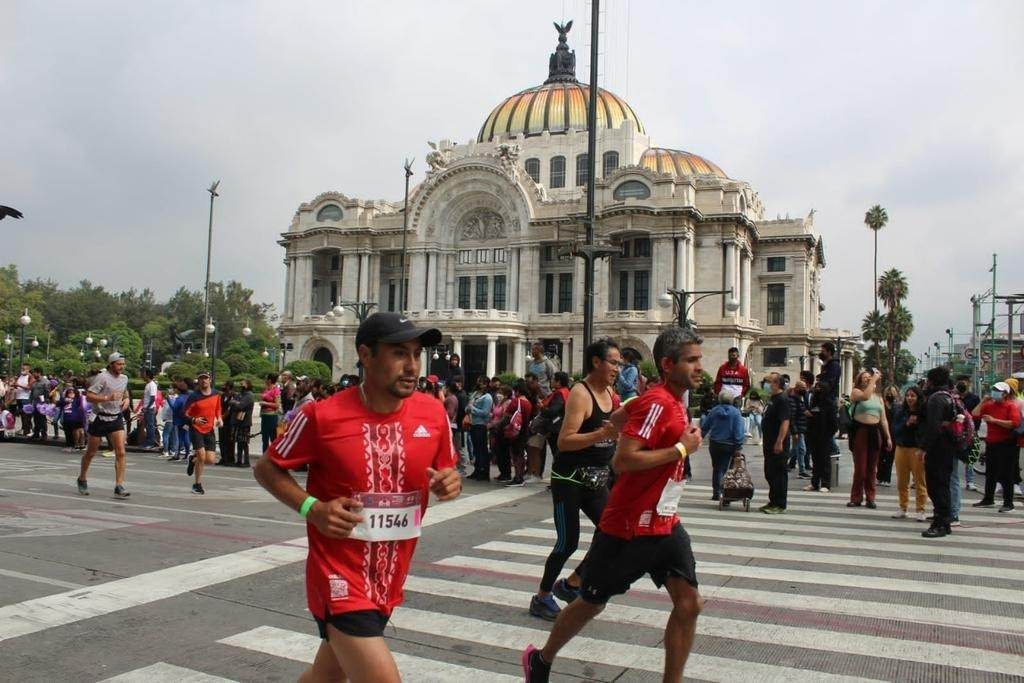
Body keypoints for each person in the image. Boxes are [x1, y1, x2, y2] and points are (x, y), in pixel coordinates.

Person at [253, 312, 460, 683]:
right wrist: (311, 508)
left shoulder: (433, 413)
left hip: (390, 575)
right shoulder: (322, 415)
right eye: (399, 353)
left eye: (416, 353)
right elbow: (267, 468)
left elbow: (446, 470)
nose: (412, 366)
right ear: (366, 355)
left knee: (326, 676)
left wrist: (449, 483)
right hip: (338, 576)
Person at [524, 327, 704, 682]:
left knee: (689, 604)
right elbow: (624, 461)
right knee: (591, 603)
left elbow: (620, 419)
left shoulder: (667, 400)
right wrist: (682, 449)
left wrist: (619, 422)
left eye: (700, 359)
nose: (700, 367)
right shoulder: (659, 403)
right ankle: (541, 660)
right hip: (629, 527)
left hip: (665, 523)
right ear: (668, 364)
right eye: (692, 360)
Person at [530, 340, 621, 621]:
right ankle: (542, 597)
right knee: (567, 543)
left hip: (596, 480)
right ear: (596, 362)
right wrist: (599, 436)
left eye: (619, 363)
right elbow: (565, 441)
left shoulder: (610, 393)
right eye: (613, 362)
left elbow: (616, 431)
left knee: (614, 535)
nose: (618, 369)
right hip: (568, 480)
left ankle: (570, 583)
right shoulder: (581, 394)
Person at [77, 353, 131, 498]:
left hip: (116, 417)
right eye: (119, 364)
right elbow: (89, 396)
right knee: (91, 452)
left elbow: (124, 393)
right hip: (100, 417)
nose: (122, 367)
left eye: (123, 364)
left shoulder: (124, 378)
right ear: (111, 364)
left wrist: (126, 400)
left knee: (121, 452)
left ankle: (119, 485)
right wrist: (107, 397)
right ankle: (82, 478)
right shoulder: (102, 377)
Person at [971, 381, 1021, 512]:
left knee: (1006, 474)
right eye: (994, 389)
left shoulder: (1011, 406)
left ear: (1005, 394)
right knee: (990, 472)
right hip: (991, 443)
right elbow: (975, 414)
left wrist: (994, 421)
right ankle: (988, 499)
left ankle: (1008, 503)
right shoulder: (989, 405)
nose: (995, 392)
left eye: (998, 390)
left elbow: (1014, 423)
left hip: (1007, 444)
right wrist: (983, 401)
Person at [921, 366, 957, 538]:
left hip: (938, 449)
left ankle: (940, 522)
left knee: (936, 486)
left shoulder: (936, 399)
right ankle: (944, 521)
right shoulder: (950, 396)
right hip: (948, 447)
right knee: (943, 485)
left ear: (932, 381)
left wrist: (924, 448)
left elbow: (933, 427)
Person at [847, 369, 891, 509]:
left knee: (872, 468)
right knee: (860, 467)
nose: (867, 379)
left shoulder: (878, 397)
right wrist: (874, 380)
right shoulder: (856, 392)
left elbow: (883, 419)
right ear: (859, 380)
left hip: (875, 431)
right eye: (864, 378)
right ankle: (856, 497)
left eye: (869, 377)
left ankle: (871, 497)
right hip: (860, 430)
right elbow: (865, 397)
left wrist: (888, 437)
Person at [700, 390, 746, 501]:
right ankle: (725, 492)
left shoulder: (714, 411)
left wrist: (700, 438)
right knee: (727, 469)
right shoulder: (735, 413)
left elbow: (705, 426)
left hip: (715, 443)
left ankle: (717, 492)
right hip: (729, 444)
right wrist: (738, 446)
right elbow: (738, 431)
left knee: (717, 468)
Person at [891, 386, 928, 521]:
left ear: (918, 397)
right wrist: (906, 423)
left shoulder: (923, 413)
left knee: (920, 480)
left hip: (916, 449)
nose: (910, 398)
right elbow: (895, 429)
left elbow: (926, 432)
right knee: (902, 481)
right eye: (908, 396)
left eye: (913, 396)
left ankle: (921, 509)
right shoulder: (901, 411)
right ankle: (903, 507)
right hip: (901, 448)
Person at [184, 372, 221, 495]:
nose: (204, 381)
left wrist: (219, 418)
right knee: (202, 455)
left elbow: (218, 408)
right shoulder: (194, 396)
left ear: (210, 380)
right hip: (196, 428)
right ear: (198, 381)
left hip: (209, 429)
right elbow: (185, 413)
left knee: (210, 460)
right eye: (201, 379)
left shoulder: (216, 394)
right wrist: (194, 420)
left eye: (206, 378)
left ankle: (193, 460)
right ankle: (197, 485)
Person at [760, 373, 792, 514]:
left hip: (778, 443)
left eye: (768, 381)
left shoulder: (782, 399)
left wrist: (780, 441)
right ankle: (772, 500)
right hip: (769, 442)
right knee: (770, 472)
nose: (766, 384)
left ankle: (780, 504)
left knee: (778, 473)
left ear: (776, 383)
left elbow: (785, 421)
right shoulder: (772, 399)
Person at [467, 376, 493, 481]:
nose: (479, 384)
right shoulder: (475, 393)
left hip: (481, 424)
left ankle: (484, 471)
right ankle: (477, 470)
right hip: (473, 423)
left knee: (482, 449)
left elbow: (485, 412)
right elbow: (469, 404)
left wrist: (472, 409)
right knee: (476, 449)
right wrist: (468, 408)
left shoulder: (487, 397)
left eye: (481, 382)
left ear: (486, 384)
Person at [877, 386, 899, 486]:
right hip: (882, 433)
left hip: (893, 434)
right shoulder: (881, 405)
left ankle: (886, 478)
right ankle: (880, 477)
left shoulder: (898, 406)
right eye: (888, 393)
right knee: (880, 456)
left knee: (890, 457)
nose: (890, 395)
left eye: (892, 393)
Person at [232, 379, 256, 467]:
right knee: (239, 442)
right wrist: (235, 402)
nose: (241, 385)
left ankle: (246, 461)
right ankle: (239, 460)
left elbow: (240, 405)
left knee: (244, 442)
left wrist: (235, 403)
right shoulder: (241, 394)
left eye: (243, 384)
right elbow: (233, 401)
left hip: (245, 421)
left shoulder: (249, 395)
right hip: (239, 421)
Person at [169, 378, 192, 462]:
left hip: (180, 420)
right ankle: (186, 453)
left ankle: (178, 453)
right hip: (187, 420)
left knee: (181, 437)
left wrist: (169, 399)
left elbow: (174, 408)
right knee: (185, 436)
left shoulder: (179, 399)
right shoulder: (189, 396)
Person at [260, 373, 282, 453]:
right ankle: (264, 458)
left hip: (272, 417)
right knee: (264, 439)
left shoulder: (276, 390)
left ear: (269, 380)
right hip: (264, 416)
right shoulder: (266, 389)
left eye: (266, 379)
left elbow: (277, 405)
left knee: (273, 439)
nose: (265, 380)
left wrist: (265, 404)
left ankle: (273, 458)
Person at [217, 380, 237, 466]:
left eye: (225, 385)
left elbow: (230, 408)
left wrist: (222, 417)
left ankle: (230, 458)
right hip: (222, 420)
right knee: (222, 439)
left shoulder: (233, 395)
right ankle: (223, 458)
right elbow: (219, 406)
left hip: (229, 420)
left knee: (229, 440)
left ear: (228, 386)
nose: (223, 386)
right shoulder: (222, 395)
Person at [28, 367, 49, 439]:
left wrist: (45, 403)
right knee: (36, 419)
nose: (33, 374)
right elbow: (32, 393)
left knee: (42, 419)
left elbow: (47, 393)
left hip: (42, 403)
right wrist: (30, 402)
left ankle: (44, 435)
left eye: (34, 372)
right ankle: (36, 433)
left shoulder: (45, 382)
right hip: (35, 402)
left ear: (39, 373)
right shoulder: (35, 382)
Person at [141, 369, 159, 449]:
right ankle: (148, 441)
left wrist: (147, 408)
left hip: (150, 409)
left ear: (147, 375)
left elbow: (152, 398)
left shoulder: (152, 385)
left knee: (150, 426)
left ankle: (151, 443)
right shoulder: (148, 384)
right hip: (147, 408)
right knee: (148, 426)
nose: (142, 375)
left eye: (143, 374)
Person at [14, 363, 32, 436]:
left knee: (26, 415)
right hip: (19, 397)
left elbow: (29, 387)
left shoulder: (30, 376)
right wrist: (15, 386)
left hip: (26, 398)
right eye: (22, 369)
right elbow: (18, 386)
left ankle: (28, 430)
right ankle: (24, 429)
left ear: (28, 369)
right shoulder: (20, 376)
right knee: (22, 415)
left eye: (24, 369)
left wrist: (18, 385)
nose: (22, 370)